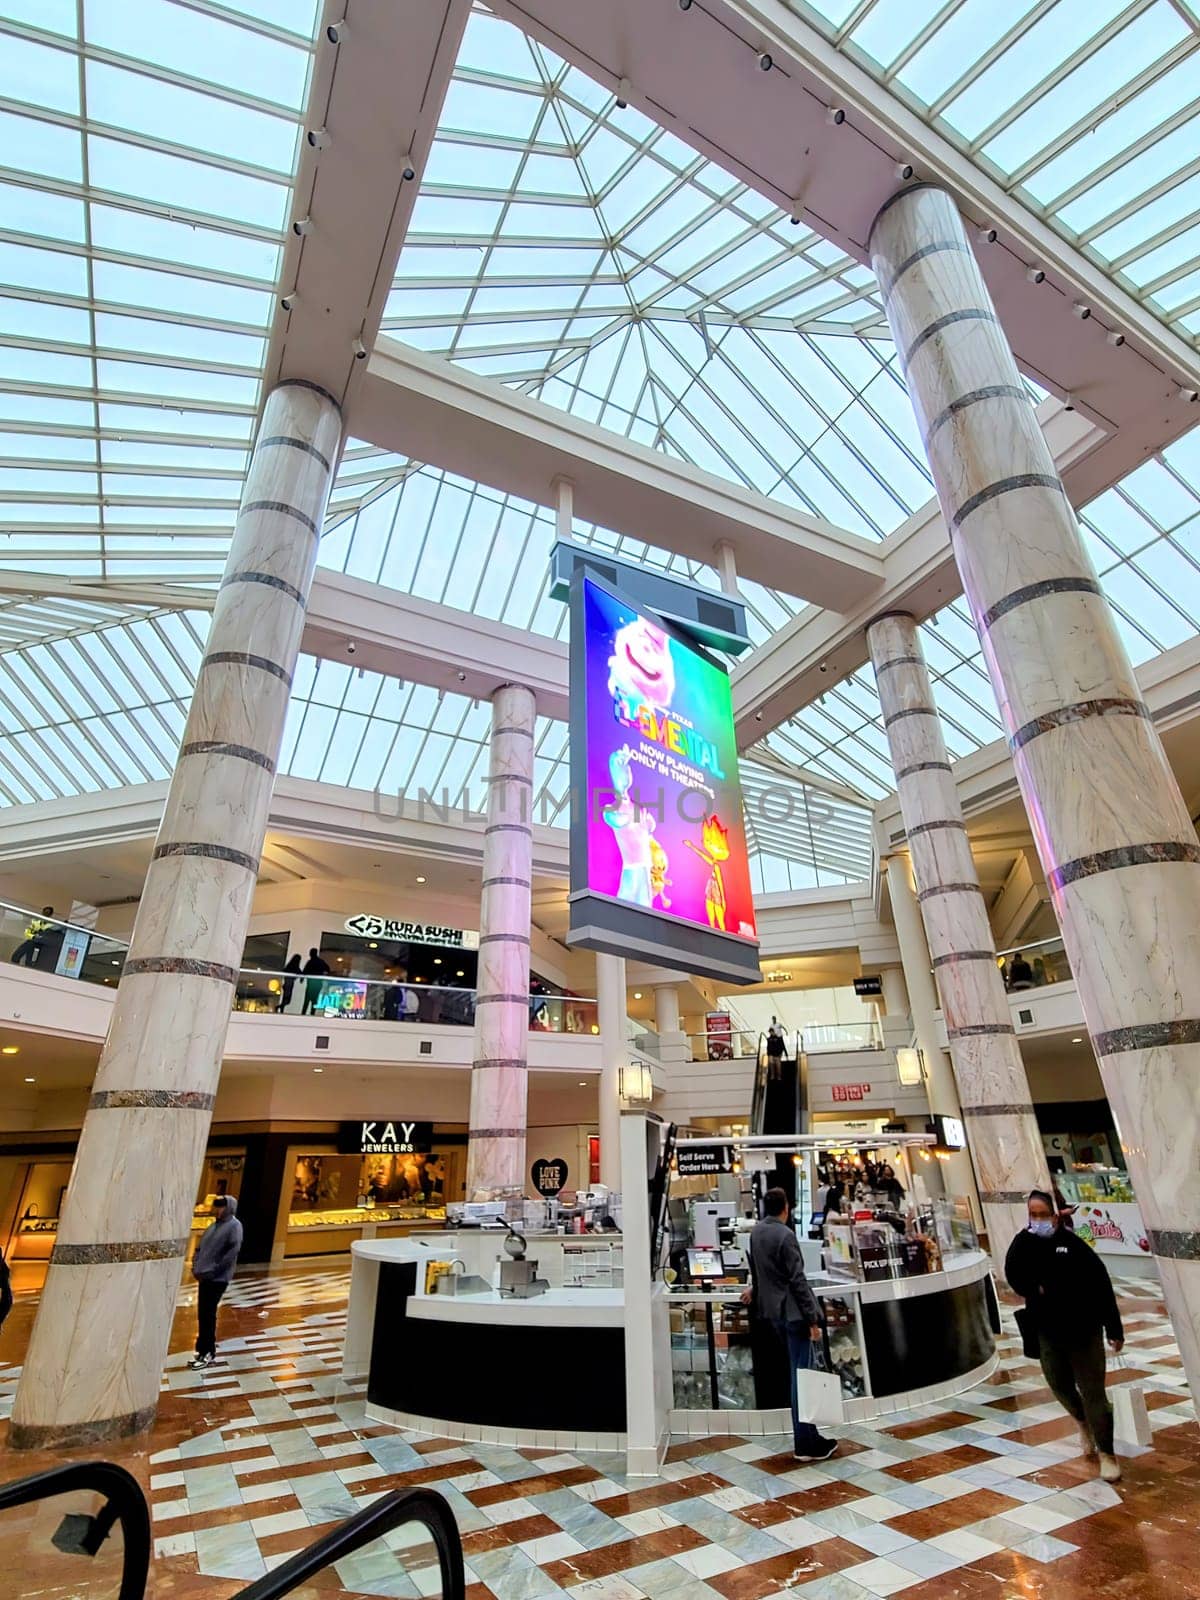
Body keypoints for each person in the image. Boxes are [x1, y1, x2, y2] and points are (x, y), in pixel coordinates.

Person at [1005, 1189, 1124, 1482]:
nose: (1039, 1220)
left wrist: (1114, 1328)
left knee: (1093, 1391)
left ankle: (1107, 1452)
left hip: (1084, 1330)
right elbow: (1013, 1274)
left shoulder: (1073, 1245)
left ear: (1056, 1215)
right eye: (1034, 1215)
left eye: (1044, 1214)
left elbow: (1101, 1285)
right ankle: (1083, 1421)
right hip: (1047, 1331)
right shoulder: (1023, 1243)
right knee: (1057, 1382)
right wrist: (1035, 1289)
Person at [743, 1187, 837, 1462]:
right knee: (802, 1378)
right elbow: (797, 1280)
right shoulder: (785, 1236)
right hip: (794, 1315)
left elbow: (759, 1269)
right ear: (786, 1208)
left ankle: (810, 1437)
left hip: (773, 1314)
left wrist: (754, 1290)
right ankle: (805, 1443)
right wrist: (813, 1318)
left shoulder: (757, 1232)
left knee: (798, 1376)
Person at [189, 1195, 243, 1369]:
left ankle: (208, 1352)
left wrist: (214, 1271)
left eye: (221, 1207)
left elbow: (231, 1253)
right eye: (217, 1207)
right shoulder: (213, 1226)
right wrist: (196, 1265)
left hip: (217, 1279)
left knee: (208, 1314)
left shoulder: (234, 1226)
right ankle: (201, 1350)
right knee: (203, 1314)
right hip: (205, 1276)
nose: (217, 1210)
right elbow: (200, 1248)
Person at [300, 948, 330, 1015]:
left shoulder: (310, 962)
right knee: (314, 999)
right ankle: (312, 1013)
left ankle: (303, 1013)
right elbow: (327, 969)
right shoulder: (321, 962)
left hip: (311, 983)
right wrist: (323, 973)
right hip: (318, 983)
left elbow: (305, 971)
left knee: (307, 999)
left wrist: (302, 979)